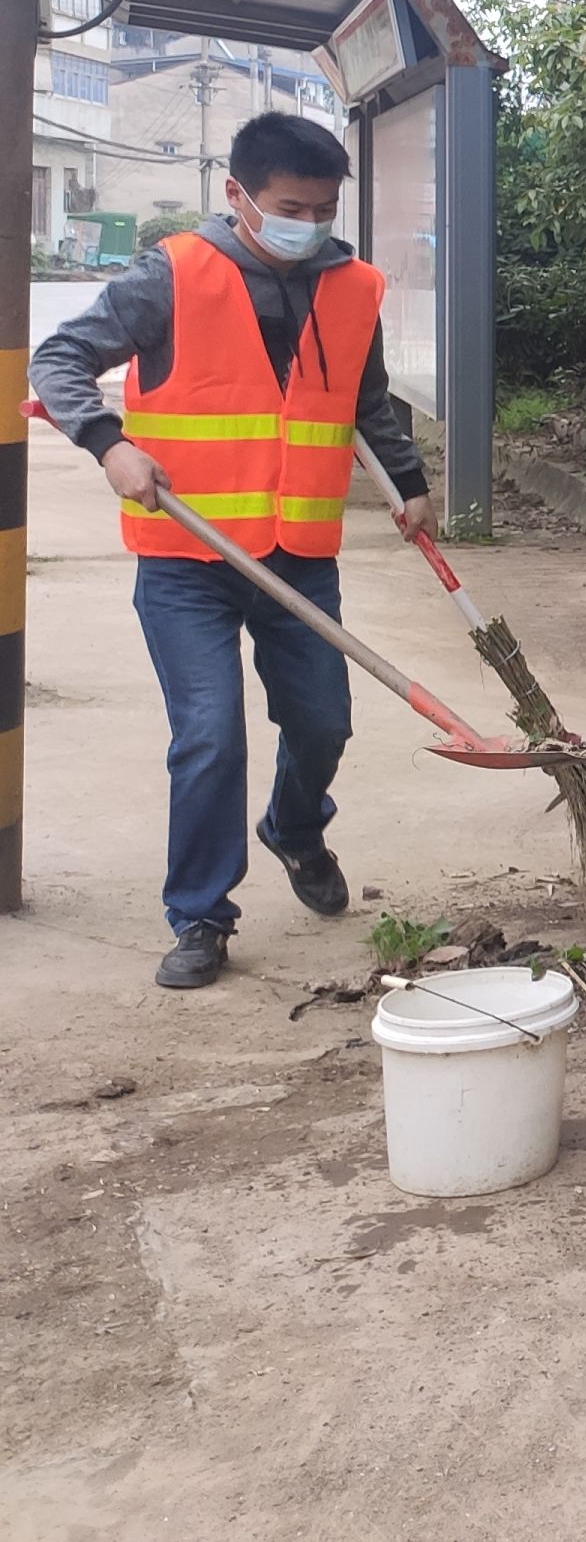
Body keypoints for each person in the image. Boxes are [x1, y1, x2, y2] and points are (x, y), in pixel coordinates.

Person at [32, 112, 434, 991]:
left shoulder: (353, 284)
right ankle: (202, 916)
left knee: (324, 722)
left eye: (326, 209)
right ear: (239, 196)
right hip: (187, 558)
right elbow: (59, 357)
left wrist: (408, 485)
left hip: (297, 553)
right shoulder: (170, 275)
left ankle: (294, 827)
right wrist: (108, 442)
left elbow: (365, 400)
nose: (311, 224)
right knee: (210, 736)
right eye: (293, 206)